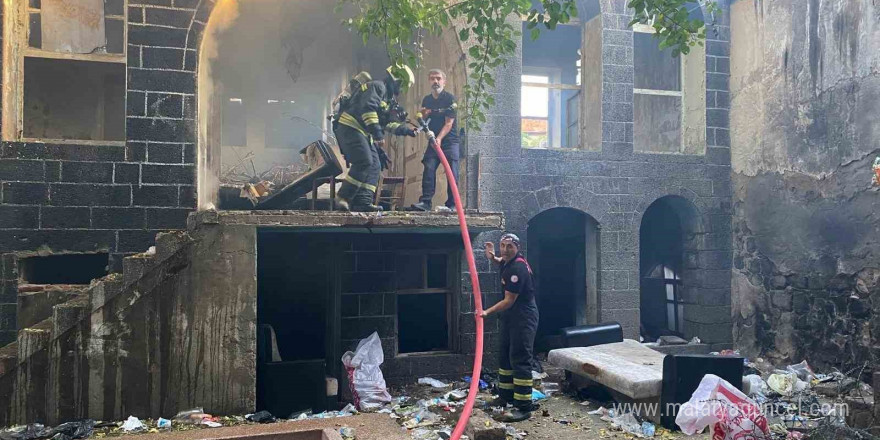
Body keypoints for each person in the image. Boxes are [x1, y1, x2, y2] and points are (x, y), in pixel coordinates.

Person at [333, 66, 417, 212]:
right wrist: (378, 135)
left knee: (375, 165)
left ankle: (363, 202)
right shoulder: (377, 87)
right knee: (364, 160)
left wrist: (407, 130)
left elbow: (386, 123)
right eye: (401, 85)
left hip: (362, 131)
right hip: (350, 126)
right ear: (396, 80)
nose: (401, 89)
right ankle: (343, 197)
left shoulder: (386, 98)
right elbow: (368, 110)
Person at [481, 233, 539, 422]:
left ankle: (523, 406)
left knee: (520, 359)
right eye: (502, 246)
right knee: (504, 356)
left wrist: (486, 312)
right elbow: (502, 261)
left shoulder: (517, 270)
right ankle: (505, 397)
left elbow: (508, 301)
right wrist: (492, 257)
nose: (505, 250)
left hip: (523, 316)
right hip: (511, 317)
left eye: (509, 247)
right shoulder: (509, 261)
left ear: (518, 248)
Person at [410, 69, 460, 213]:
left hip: (449, 141)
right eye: (432, 79)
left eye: (438, 78)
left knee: (452, 172)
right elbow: (423, 119)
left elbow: (449, 123)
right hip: (433, 141)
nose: (435, 81)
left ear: (444, 81)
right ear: (429, 81)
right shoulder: (427, 100)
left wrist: (438, 138)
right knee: (429, 167)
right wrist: (422, 117)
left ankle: (452, 204)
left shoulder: (450, 99)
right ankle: (425, 202)